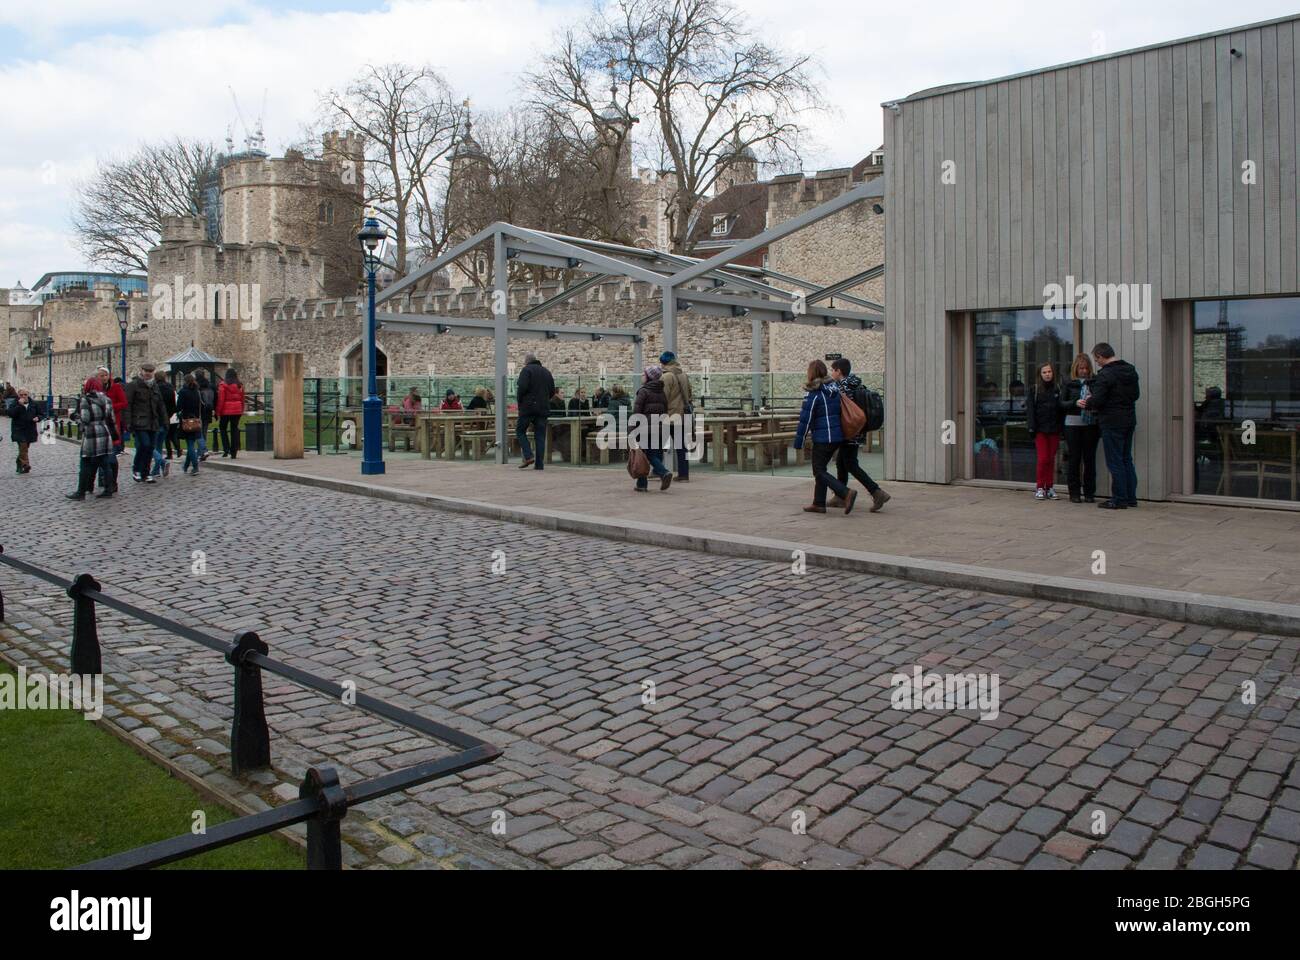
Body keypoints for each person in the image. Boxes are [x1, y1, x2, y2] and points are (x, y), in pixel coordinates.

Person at [1079, 342, 1140, 510]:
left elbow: (1097, 400)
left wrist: (1087, 402)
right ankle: (1130, 498)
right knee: (1126, 459)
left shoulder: (1106, 375)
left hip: (1112, 422)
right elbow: (1136, 395)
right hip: (1129, 419)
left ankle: (1119, 499)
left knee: (1115, 461)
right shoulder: (1130, 370)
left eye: (1096, 359)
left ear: (1100, 356)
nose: (1096, 363)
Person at [792, 359, 856, 514]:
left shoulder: (813, 393)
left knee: (819, 470)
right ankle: (819, 503)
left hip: (823, 438)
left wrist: (798, 442)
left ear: (811, 373)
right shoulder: (833, 389)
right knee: (821, 468)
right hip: (837, 436)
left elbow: (805, 419)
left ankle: (845, 493)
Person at [827, 358, 889, 511]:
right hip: (857, 430)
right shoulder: (857, 384)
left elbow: (839, 410)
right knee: (842, 462)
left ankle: (876, 492)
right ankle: (840, 496)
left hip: (848, 431)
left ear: (838, 371)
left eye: (833, 370)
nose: (831, 373)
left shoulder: (842, 387)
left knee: (850, 464)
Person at [67, 376, 117, 500]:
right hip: (104, 430)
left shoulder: (86, 399)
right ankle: (109, 489)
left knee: (85, 463)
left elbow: (85, 419)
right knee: (105, 462)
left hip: (91, 433)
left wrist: (74, 417)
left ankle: (81, 492)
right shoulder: (107, 399)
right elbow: (111, 418)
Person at [1059, 354, 1100, 503]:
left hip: (1091, 424)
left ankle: (1089, 493)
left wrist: (1092, 401)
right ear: (1076, 368)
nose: (1083, 371)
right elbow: (1061, 404)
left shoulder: (1095, 382)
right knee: (1074, 459)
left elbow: (1102, 400)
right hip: (1072, 424)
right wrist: (1074, 403)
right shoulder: (1068, 382)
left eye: (1086, 368)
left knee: (1090, 459)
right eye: (1081, 368)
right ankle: (1074, 493)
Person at [1026, 361, 1064, 500]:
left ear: (1053, 373)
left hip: (1054, 429)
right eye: (1044, 372)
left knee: (1051, 459)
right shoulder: (1034, 390)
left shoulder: (1058, 389)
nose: (1047, 374)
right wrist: (1031, 427)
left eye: (1049, 372)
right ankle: (1040, 487)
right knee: (1043, 459)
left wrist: (1061, 428)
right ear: (1039, 374)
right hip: (1040, 430)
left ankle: (1050, 487)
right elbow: (1030, 410)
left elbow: (1061, 410)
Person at [124, 363, 166, 483]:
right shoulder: (133, 385)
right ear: (141, 371)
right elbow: (128, 405)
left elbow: (160, 405)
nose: (148, 373)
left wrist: (165, 420)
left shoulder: (154, 386)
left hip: (152, 422)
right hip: (139, 421)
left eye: (150, 371)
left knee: (150, 447)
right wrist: (128, 422)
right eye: (146, 370)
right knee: (144, 445)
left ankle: (146, 472)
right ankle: (136, 469)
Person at [632, 366, 672, 492]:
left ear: (649, 377)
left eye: (644, 374)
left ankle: (663, 472)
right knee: (650, 454)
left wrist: (632, 430)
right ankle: (641, 484)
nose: (642, 377)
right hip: (658, 428)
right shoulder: (661, 392)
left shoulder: (643, 391)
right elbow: (665, 411)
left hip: (644, 428)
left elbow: (636, 412)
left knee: (646, 454)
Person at [515, 353, 555, 470]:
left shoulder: (526, 370)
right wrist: (544, 400)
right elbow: (552, 391)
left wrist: (520, 403)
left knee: (520, 430)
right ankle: (539, 464)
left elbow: (521, 388)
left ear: (526, 361)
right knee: (540, 436)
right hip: (543, 408)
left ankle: (528, 455)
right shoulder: (547, 372)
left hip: (528, 408)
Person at [660, 351, 693, 482]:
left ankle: (658, 470)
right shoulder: (684, 375)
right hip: (682, 414)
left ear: (663, 362)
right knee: (681, 446)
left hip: (669, 415)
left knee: (657, 443)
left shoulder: (666, 376)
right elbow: (689, 394)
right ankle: (684, 474)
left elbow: (663, 397)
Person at [5, 387, 42, 474]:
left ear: (28, 395)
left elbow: (41, 414)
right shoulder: (14, 403)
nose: (23, 396)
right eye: (21, 395)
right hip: (18, 429)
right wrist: (19, 405)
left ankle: (19, 463)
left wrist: (38, 418)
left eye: (25, 395)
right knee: (23, 446)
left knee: (24, 449)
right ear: (18, 395)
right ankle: (26, 465)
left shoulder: (34, 404)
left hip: (30, 429)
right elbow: (11, 414)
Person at [176, 373, 204, 475]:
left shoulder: (183, 392)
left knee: (190, 445)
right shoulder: (197, 392)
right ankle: (186, 466)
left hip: (186, 420)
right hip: (196, 419)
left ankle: (195, 467)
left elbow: (179, 407)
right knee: (191, 442)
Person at [151, 369, 176, 478]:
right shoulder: (171, 388)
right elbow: (173, 407)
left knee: (149, 445)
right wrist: (168, 416)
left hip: (155, 420)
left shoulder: (153, 388)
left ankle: (161, 463)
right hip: (166, 420)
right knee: (159, 447)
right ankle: (157, 470)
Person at [216, 368, 246, 458]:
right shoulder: (239, 385)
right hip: (237, 410)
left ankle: (226, 448)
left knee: (223, 428)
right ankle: (234, 451)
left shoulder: (223, 385)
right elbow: (242, 399)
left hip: (226, 410)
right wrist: (242, 409)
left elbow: (221, 400)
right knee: (234, 430)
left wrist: (218, 411)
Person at [195, 370, 216, 460]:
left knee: (198, 433)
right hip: (208, 410)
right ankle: (201, 452)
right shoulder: (210, 385)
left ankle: (203, 451)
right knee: (204, 432)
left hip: (199, 411)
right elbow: (215, 398)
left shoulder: (196, 386)